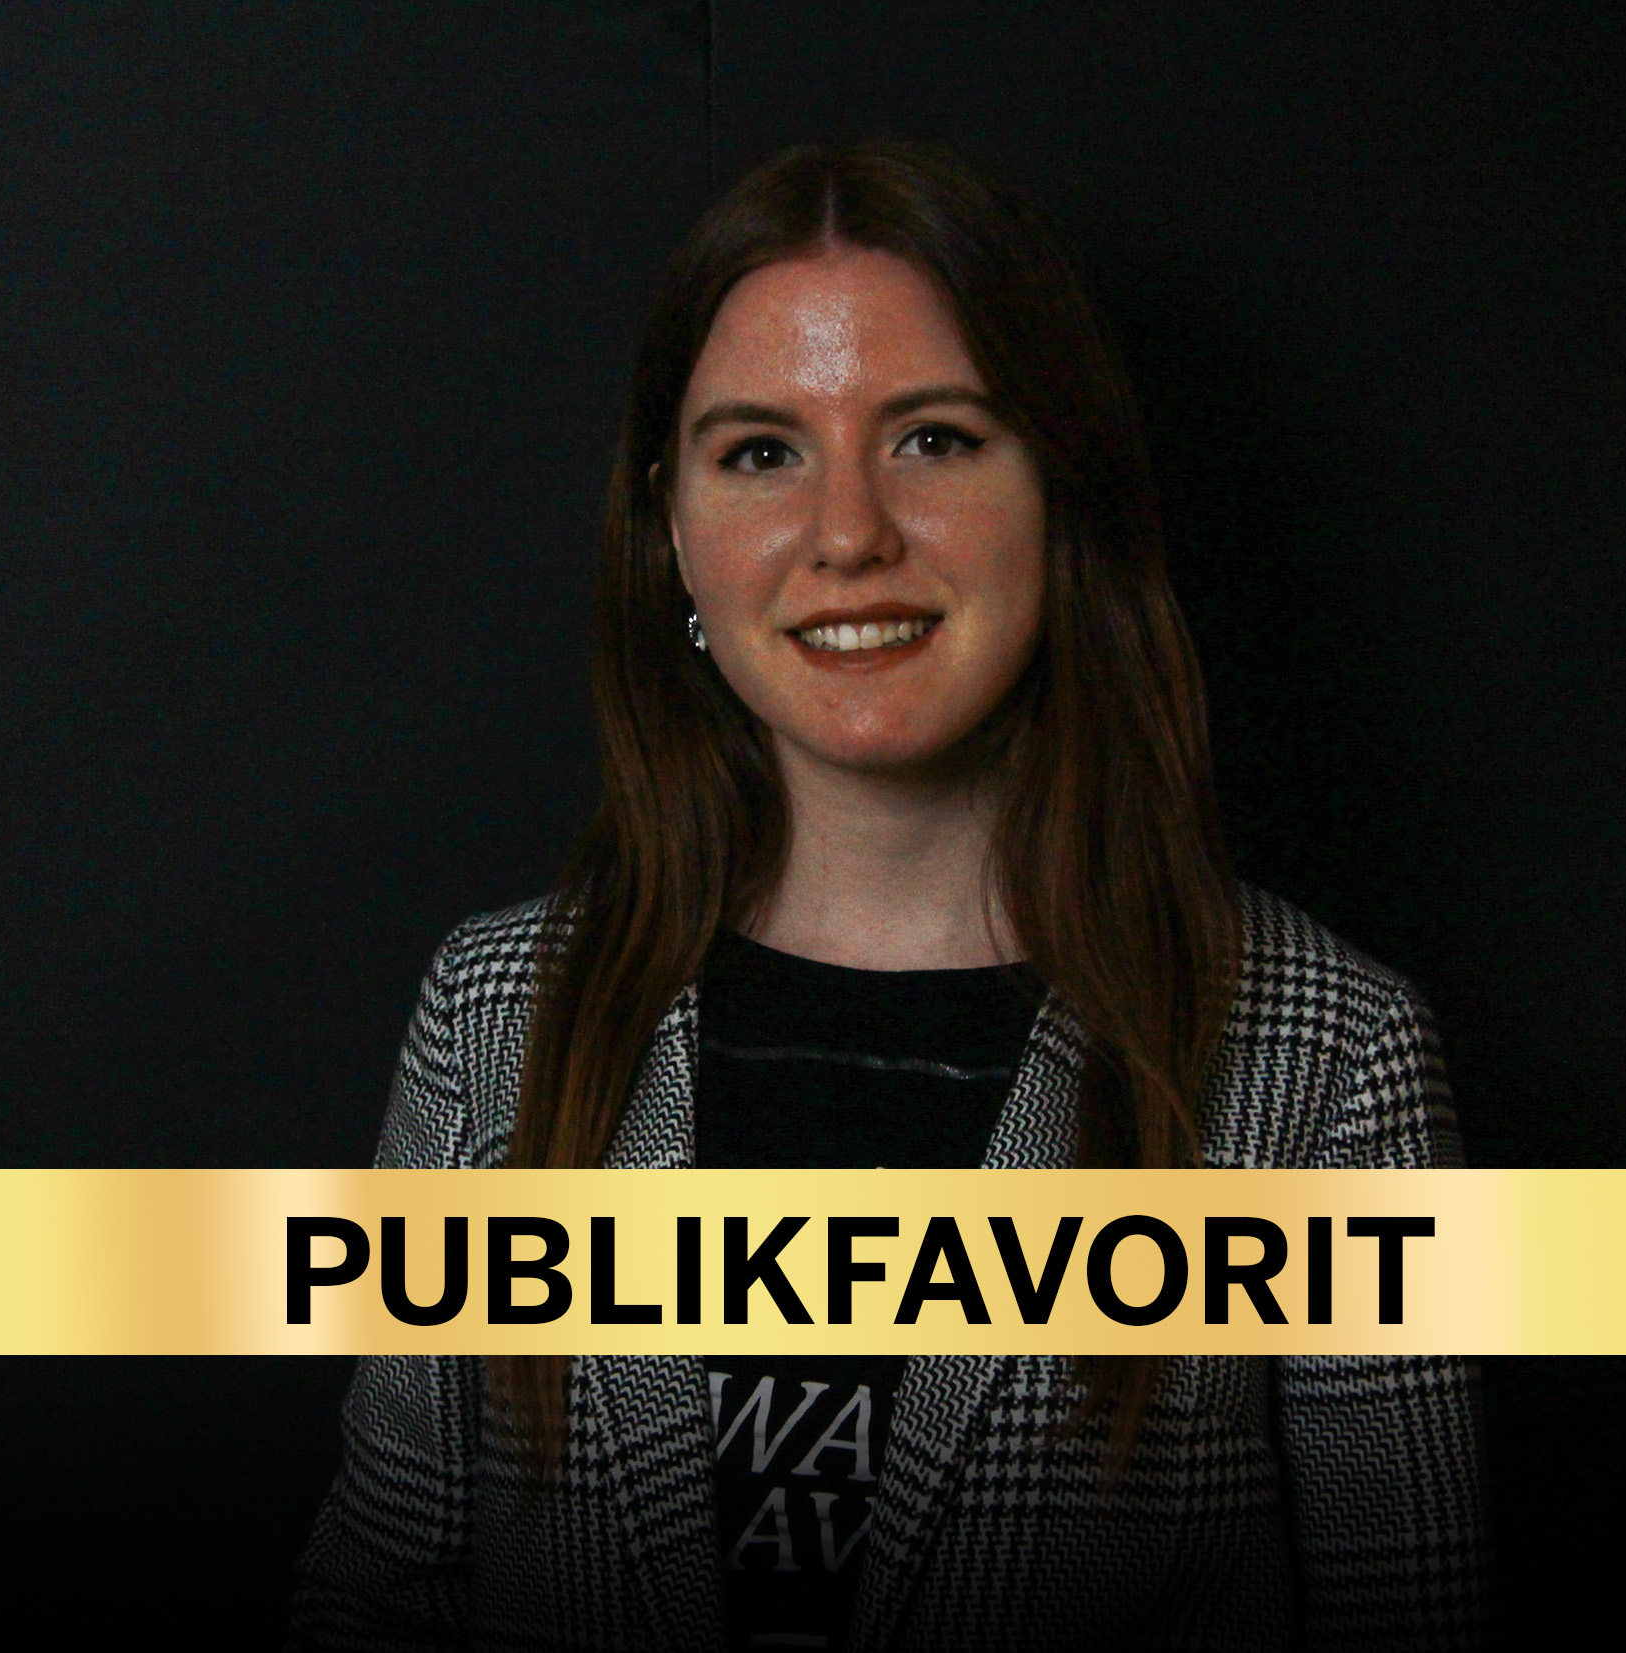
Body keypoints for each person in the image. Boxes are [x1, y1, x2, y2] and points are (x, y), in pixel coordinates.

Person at [289, 139, 1488, 1653]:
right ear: (673, 528)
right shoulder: (495, 1019)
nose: (848, 533)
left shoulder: (1324, 1058)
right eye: (761, 453)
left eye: (932, 438)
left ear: (1062, 492)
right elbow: (377, 1595)